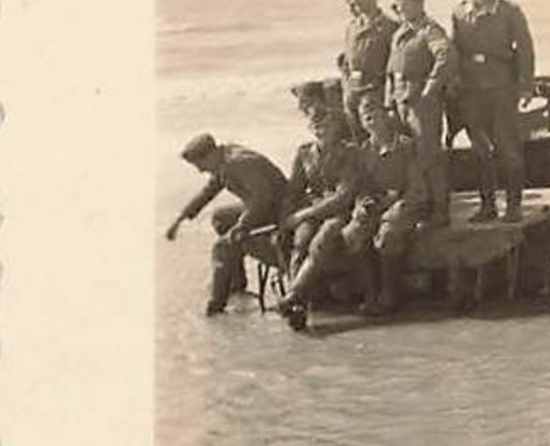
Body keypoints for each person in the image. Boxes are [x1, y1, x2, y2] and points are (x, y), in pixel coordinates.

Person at [450, 0, 535, 222]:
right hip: (472, 91)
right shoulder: (459, 12)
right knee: (480, 150)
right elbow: (454, 51)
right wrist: (454, 81)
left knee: (507, 147)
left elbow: (525, 49)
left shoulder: (509, 11)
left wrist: (526, 86)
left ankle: (513, 207)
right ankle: (488, 207)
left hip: (501, 87)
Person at [165, 133, 288, 315]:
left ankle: (215, 306)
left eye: (200, 165)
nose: (200, 171)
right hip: (264, 205)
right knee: (219, 217)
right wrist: (180, 219)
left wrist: (242, 225)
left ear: (210, 155)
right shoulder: (224, 159)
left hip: (279, 210)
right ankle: (236, 281)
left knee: (221, 248)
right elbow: (208, 192)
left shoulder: (237, 163)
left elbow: (263, 198)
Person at [274, 104, 366, 331]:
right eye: (315, 125)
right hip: (312, 211)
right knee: (299, 242)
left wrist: (304, 214)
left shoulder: (350, 153)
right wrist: (286, 219)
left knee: (320, 243)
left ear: (337, 128)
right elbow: (293, 191)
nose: (320, 129)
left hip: (340, 213)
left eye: (326, 125)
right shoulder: (304, 153)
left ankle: (294, 295)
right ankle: (298, 305)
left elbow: (343, 196)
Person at [346, 103, 427, 316]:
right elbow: (360, 187)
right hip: (377, 203)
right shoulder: (364, 151)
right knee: (354, 232)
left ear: (386, 119)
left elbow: (416, 187)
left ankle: (391, 295)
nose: (371, 121)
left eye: (375, 116)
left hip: (405, 203)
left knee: (389, 233)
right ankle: (370, 294)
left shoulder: (405, 146)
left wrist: (398, 204)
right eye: (366, 118)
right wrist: (362, 205)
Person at [387, 0, 456, 227]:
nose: (399, 8)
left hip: (421, 104)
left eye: (403, 4)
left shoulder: (430, 31)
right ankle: (421, 208)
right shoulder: (401, 33)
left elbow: (446, 56)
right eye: (397, 4)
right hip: (401, 102)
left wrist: (430, 88)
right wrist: (389, 102)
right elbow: (393, 70)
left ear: (418, 4)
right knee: (411, 157)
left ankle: (440, 211)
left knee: (430, 156)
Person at [337, 0, 398, 139]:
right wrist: (347, 85)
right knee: (358, 143)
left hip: (375, 96)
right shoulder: (352, 27)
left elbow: (395, 67)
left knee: (380, 143)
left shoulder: (390, 27)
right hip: (352, 94)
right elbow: (348, 61)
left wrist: (389, 101)